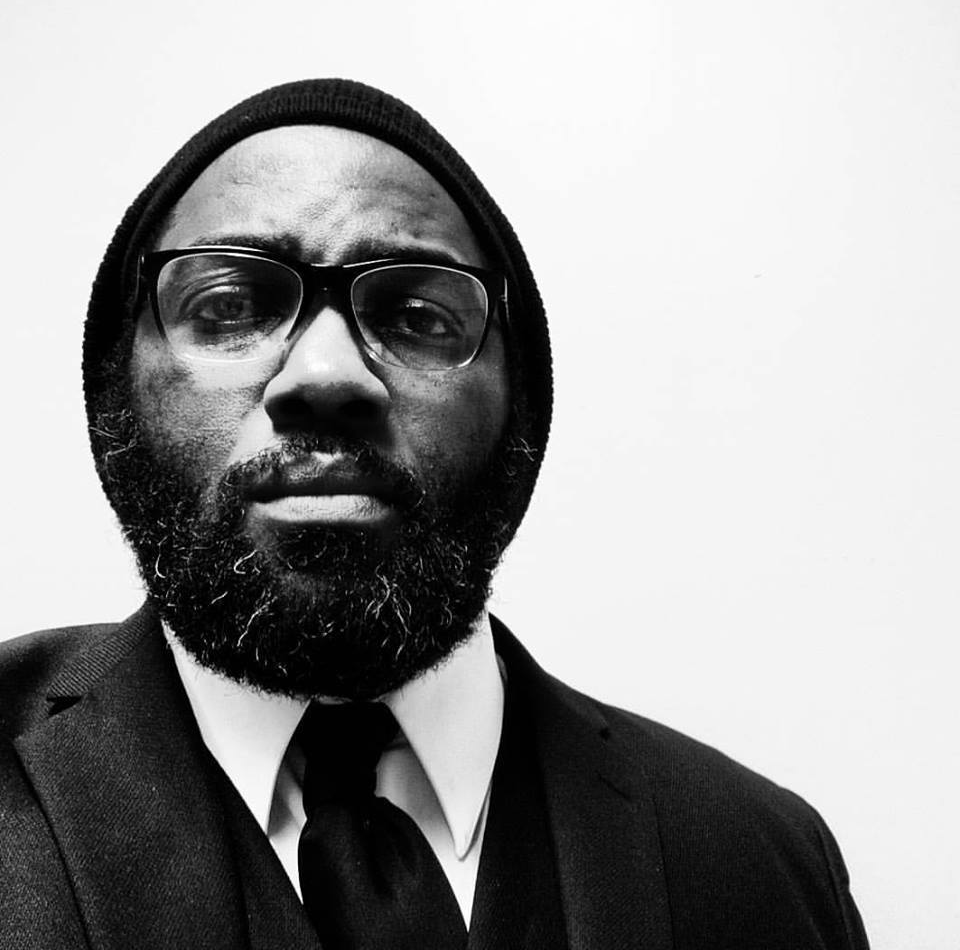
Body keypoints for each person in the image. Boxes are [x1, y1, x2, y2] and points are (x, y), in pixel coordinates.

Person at [0, 79, 870, 950]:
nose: (326, 376)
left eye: (418, 316)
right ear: (114, 389)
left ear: (520, 407)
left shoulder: (762, 862)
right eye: (229, 307)